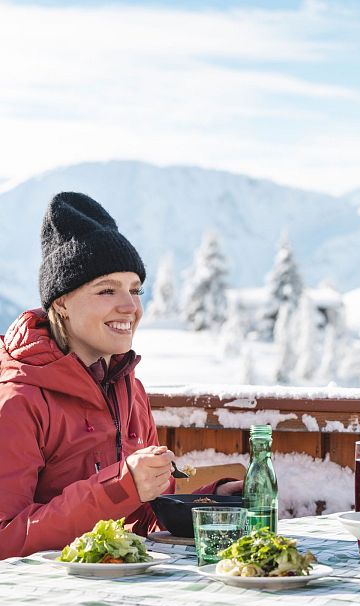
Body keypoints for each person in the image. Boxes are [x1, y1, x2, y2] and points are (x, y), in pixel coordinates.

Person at [0, 192, 242, 559]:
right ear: (61, 302)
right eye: (107, 290)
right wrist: (120, 485)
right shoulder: (18, 398)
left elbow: (141, 514)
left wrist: (208, 501)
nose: (130, 306)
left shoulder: (127, 387)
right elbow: (6, 538)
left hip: (118, 584)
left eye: (135, 289)